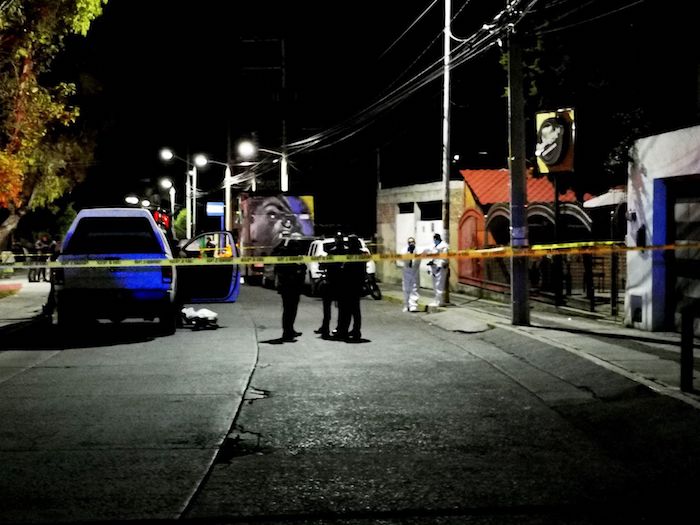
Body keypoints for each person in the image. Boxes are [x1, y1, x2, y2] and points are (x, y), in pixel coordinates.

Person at [273, 234, 307, 341]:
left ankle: (290, 330)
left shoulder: (294, 257)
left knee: (291, 310)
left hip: (293, 287)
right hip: (288, 287)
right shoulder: (285, 257)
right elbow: (282, 271)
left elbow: (303, 268)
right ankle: (287, 332)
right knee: (289, 310)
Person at [335, 234, 366, 341]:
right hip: (356, 286)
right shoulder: (362, 254)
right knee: (356, 310)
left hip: (348, 286)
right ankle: (356, 330)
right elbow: (363, 271)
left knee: (346, 311)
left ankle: (344, 331)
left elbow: (345, 270)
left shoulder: (349, 254)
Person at [315, 232, 345, 338]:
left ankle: (327, 328)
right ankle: (338, 328)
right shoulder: (346, 251)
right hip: (341, 283)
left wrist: (322, 264)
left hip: (333, 282)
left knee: (328, 308)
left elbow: (325, 265)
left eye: (338, 238)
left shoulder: (333, 252)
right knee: (341, 309)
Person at [397, 236, 420, 312]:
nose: (411, 243)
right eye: (409, 242)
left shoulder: (418, 250)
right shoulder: (404, 250)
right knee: (406, 289)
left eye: (412, 242)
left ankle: (413, 305)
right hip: (407, 271)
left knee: (414, 288)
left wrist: (414, 252)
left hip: (414, 271)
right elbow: (402, 259)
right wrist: (408, 252)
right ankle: (406, 305)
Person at [426, 232, 449, 307]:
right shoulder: (433, 246)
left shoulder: (444, 246)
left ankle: (440, 301)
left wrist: (440, 266)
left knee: (439, 285)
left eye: (436, 239)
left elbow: (444, 258)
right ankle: (436, 300)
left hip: (440, 268)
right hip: (434, 267)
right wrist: (429, 266)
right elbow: (431, 256)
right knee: (435, 284)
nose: (435, 240)